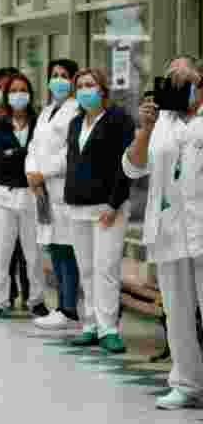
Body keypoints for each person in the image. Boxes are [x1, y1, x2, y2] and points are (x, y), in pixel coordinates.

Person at [125, 55, 203, 408]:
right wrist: (143, 128)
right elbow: (133, 168)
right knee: (177, 309)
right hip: (170, 228)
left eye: (184, 78)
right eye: (170, 78)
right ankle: (186, 382)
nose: (176, 84)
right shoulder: (159, 122)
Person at [64, 67, 136, 353]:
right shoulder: (75, 123)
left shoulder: (119, 120)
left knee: (106, 268)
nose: (84, 89)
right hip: (77, 205)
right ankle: (91, 324)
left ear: (102, 89)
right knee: (87, 269)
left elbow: (127, 165)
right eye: (80, 85)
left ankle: (109, 328)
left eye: (90, 84)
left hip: (108, 206)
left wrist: (114, 202)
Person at [0, 72, 49, 318]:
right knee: (1, 250)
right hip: (3, 194)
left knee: (34, 253)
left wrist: (15, 153)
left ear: (30, 94)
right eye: (13, 91)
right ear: (6, 96)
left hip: (33, 194)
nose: (18, 95)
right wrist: (24, 154)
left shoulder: (39, 122)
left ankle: (36, 300)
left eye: (23, 90)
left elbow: (40, 156)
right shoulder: (0, 123)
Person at [26, 58, 83, 329]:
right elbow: (34, 146)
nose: (58, 80)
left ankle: (69, 308)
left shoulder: (75, 111)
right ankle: (61, 304)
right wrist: (31, 173)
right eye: (54, 75)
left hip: (61, 187)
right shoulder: (46, 110)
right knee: (54, 247)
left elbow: (69, 152)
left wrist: (43, 172)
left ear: (73, 81)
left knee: (66, 248)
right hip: (43, 190)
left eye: (63, 75)